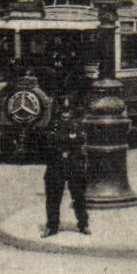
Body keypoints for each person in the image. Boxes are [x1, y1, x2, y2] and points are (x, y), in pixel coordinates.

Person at [42, 95, 89, 237]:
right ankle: (52, 226)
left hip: (74, 165)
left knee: (79, 196)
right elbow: (48, 143)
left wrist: (64, 145)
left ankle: (83, 224)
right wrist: (67, 143)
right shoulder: (53, 125)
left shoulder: (77, 125)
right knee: (53, 197)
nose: (65, 114)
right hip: (56, 165)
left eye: (67, 111)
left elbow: (80, 140)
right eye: (63, 111)